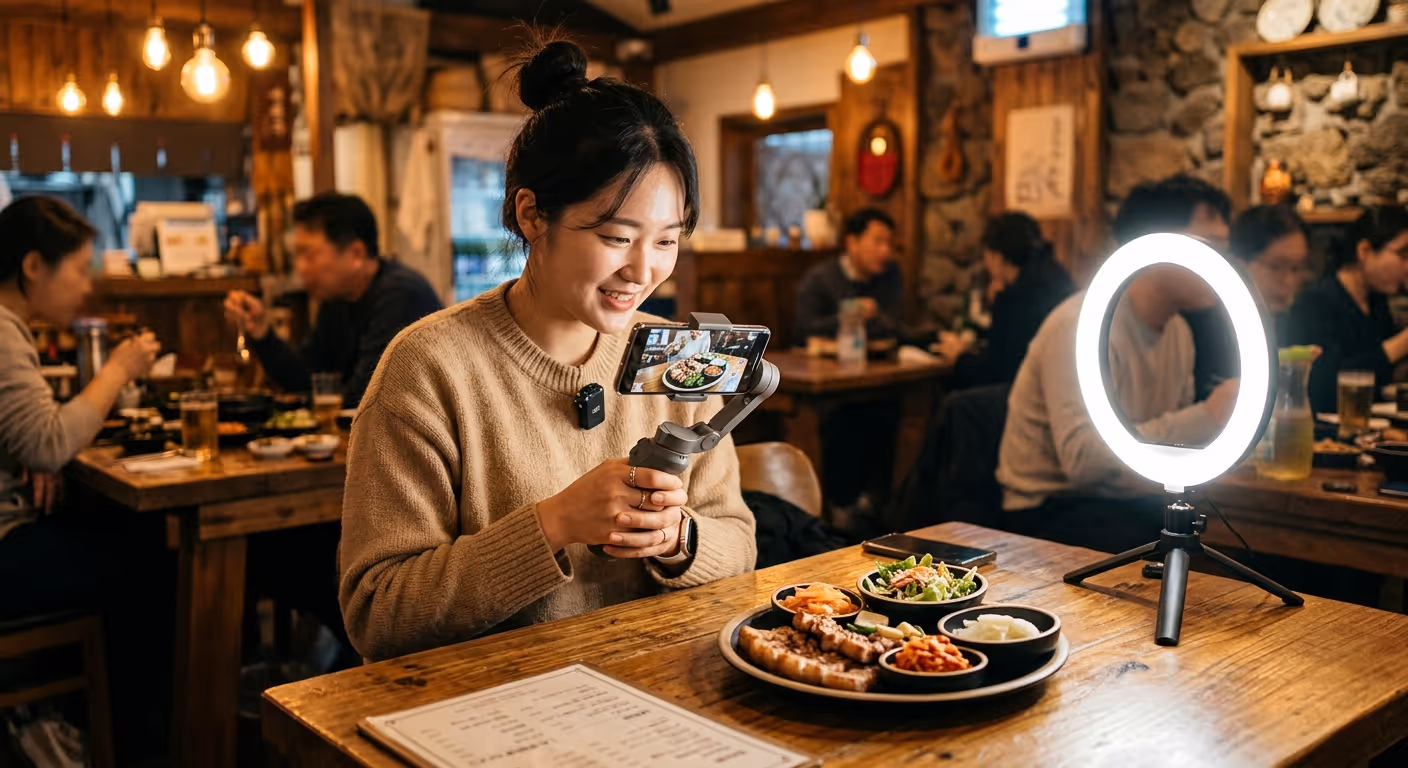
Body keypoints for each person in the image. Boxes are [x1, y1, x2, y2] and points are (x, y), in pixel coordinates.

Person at [338, 39, 756, 661]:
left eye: (667, 241)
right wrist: (552, 524)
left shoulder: (678, 357)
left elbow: (740, 542)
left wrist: (678, 539)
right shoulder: (428, 368)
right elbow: (379, 611)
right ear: (532, 214)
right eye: (617, 236)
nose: (643, 271)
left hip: (652, 686)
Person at [995, 175, 1241, 554]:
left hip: (1125, 497)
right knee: (1180, 553)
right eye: (1210, 246)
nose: (1221, 262)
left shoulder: (1179, 331)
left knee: (1226, 538)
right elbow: (1082, 462)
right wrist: (1208, 414)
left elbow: (1169, 447)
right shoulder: (1081, 325)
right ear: (1157, 247)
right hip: (1047, 510)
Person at [0, 196, 161, 619]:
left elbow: (35, 440)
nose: (87, 286)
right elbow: (49, 444)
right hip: (6, 545)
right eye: (78, 269)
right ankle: (141, 687)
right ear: (33, 266)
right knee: (152, 561)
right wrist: (119, 368)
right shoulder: (3, 331)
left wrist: (36, 450)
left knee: (123, 532)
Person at [224, 192, 442, 408]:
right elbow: (306, 378)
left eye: (308, 255)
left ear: (356, 254)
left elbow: (365, 400)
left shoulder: (400, 295)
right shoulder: (336, 298)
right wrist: (262, 332)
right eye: (296, 256)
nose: (300, 268)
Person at [1287, 206, 1408, 414]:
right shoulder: (1317, 301)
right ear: (1365, 251)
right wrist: (1403, 342)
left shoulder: (1377, 301)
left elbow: (1382, 375)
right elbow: (1325, 383)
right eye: (1403, 255)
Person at [935, 211, 1075, 389]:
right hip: (1063, 387)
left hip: (1032, 394)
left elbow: (996, 372)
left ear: (997, 257)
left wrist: (959, 357)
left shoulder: (1017, 296)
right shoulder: (1057, 277)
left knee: (957, 402)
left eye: (986, 256)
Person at [1185, 204, 1310, 401]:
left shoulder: (1294, 324)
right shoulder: (1203, 326)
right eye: (1276, 267)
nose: (1289, 281)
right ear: (1239, 264)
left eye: (1296, 269)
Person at [793, 208, 903, 346]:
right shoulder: (819, 279)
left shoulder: (889, 274)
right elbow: (803, 331)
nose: (886, 250)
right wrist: (849, 317)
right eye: (878, 242)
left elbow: (895, 326)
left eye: (889, 243)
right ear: (852, 243)